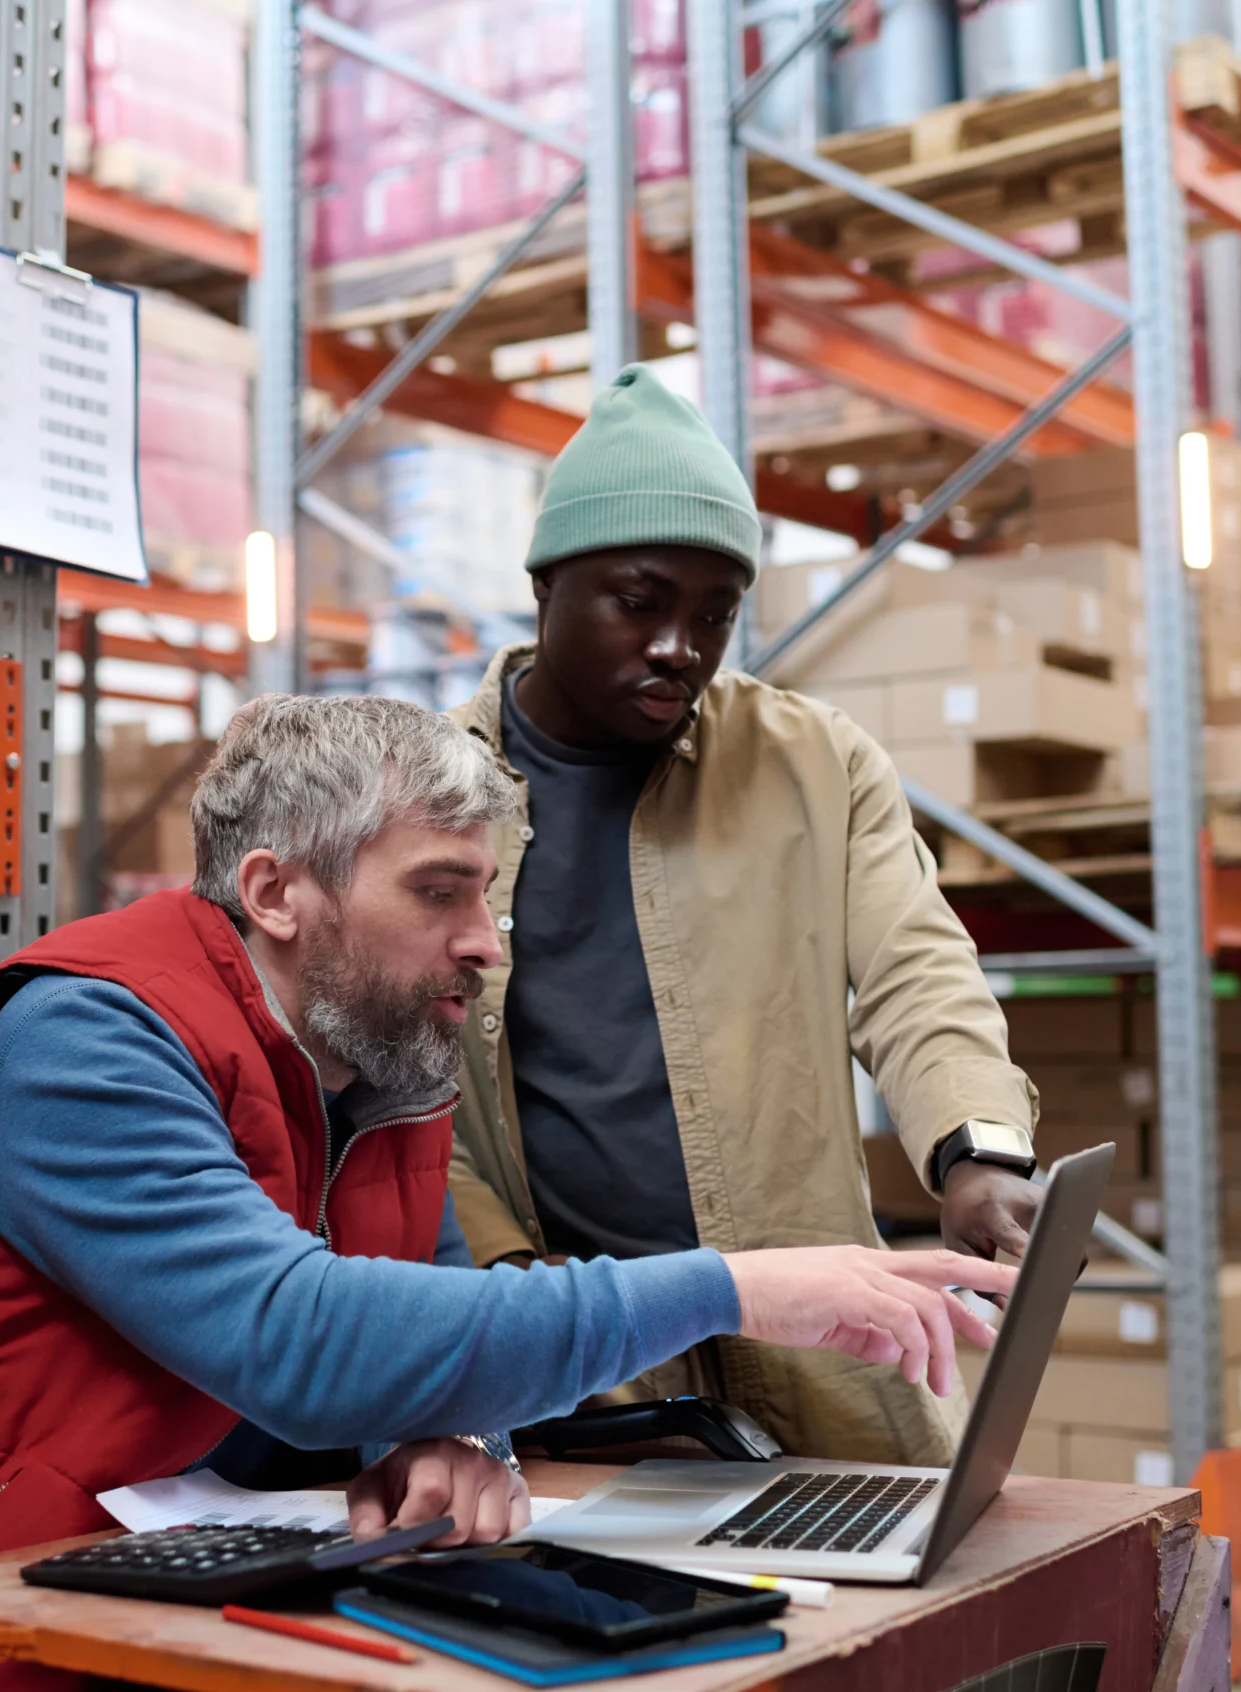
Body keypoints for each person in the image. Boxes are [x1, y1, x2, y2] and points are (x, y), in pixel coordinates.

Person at [0, 692, 1016, 1692]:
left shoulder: (383, 1068)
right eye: (440, 891)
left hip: (135, 1610)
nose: (485, 939)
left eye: (484, 892)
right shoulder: (80, 1039)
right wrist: (737, 1283)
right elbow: (300, 1337)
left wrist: (445, 1437)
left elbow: (420, 1331)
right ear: (276, 891)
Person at [446, 364, 1046, 1467]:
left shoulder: (814, 762)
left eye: (714, 615)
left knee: (896, 1604)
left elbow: (918, 969)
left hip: (830, 1333)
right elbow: (403, 1092)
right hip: (587, 1366)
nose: (680, 645)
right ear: (547, 589)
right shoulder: (432, 796)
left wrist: (978, 1149)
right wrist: (503, 1286)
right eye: (640, 602)